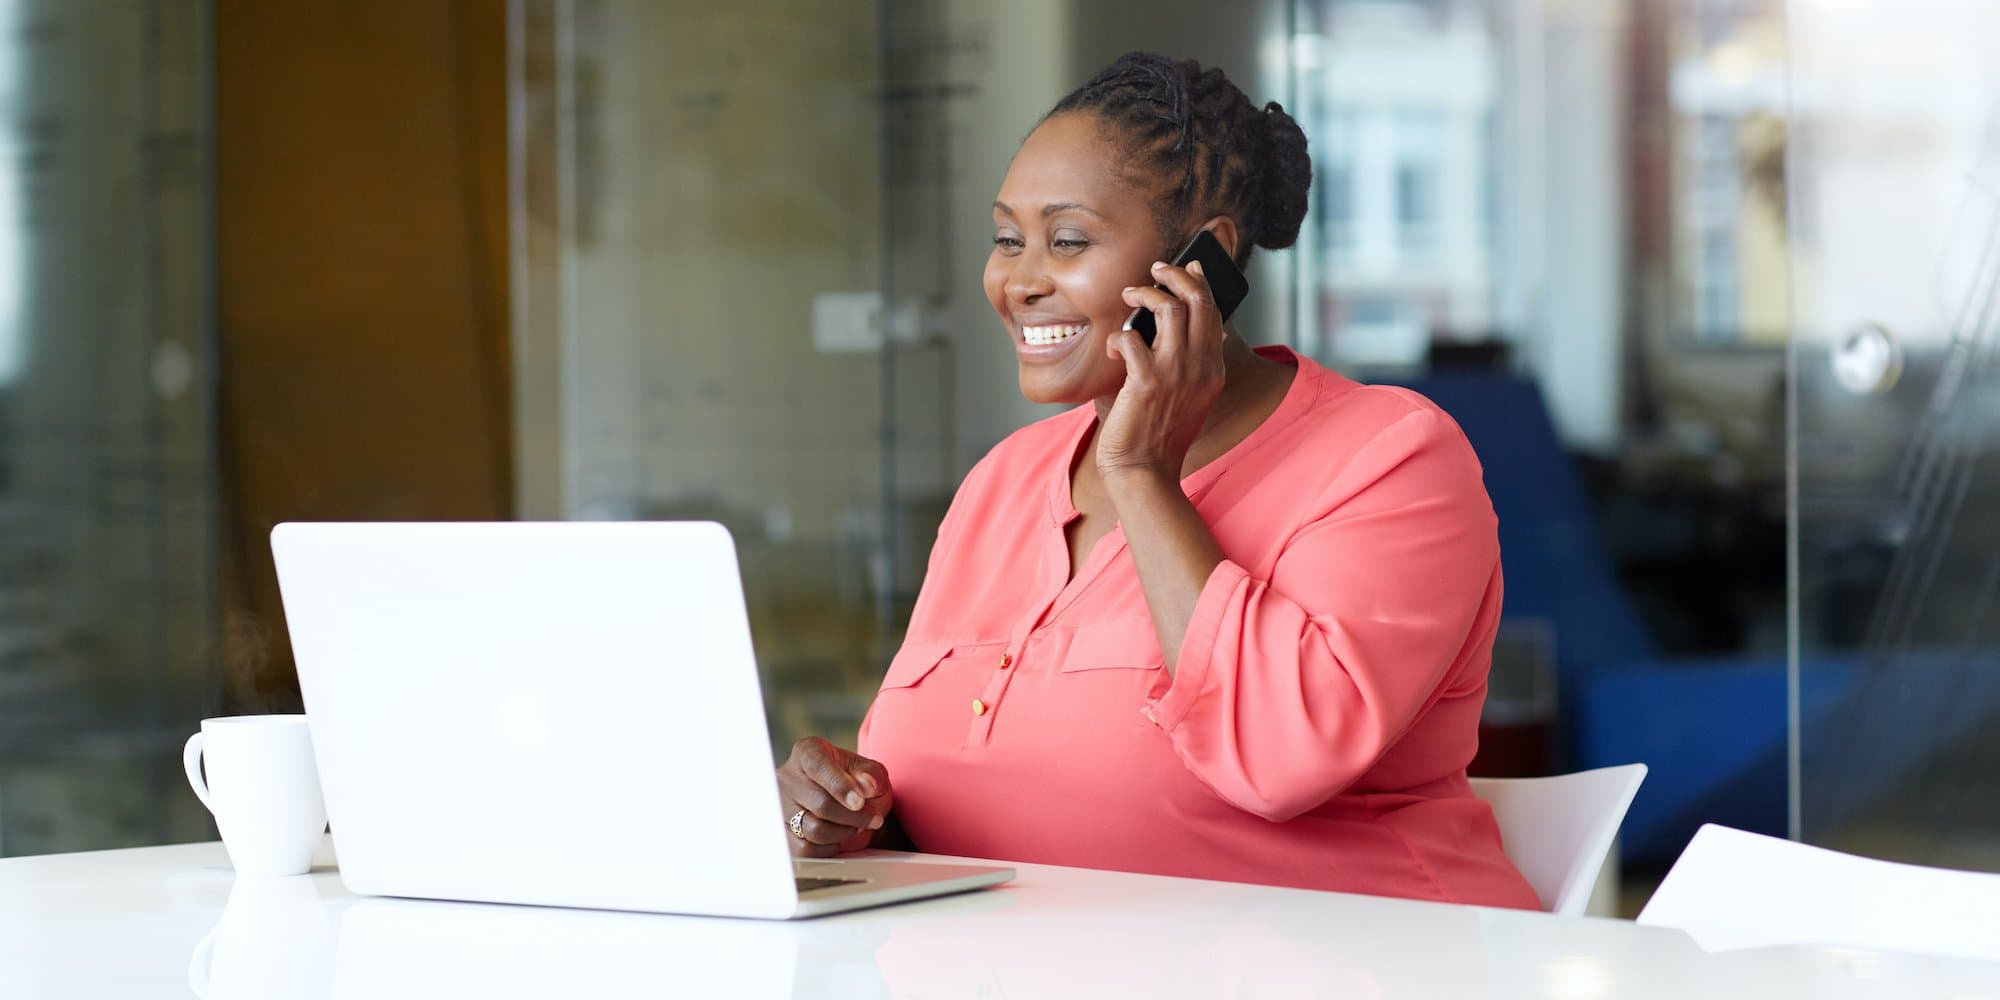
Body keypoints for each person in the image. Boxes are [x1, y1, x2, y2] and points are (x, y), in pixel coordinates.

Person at [776, 51, 1539, 909]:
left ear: (1199, 261)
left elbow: (1280, 757)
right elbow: (934, 780)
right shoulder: (1005, 480)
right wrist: (849, 811)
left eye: (1067, 241)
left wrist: (1141, 475)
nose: (1022, 281)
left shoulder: (1392, 458)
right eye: (1006, 238)